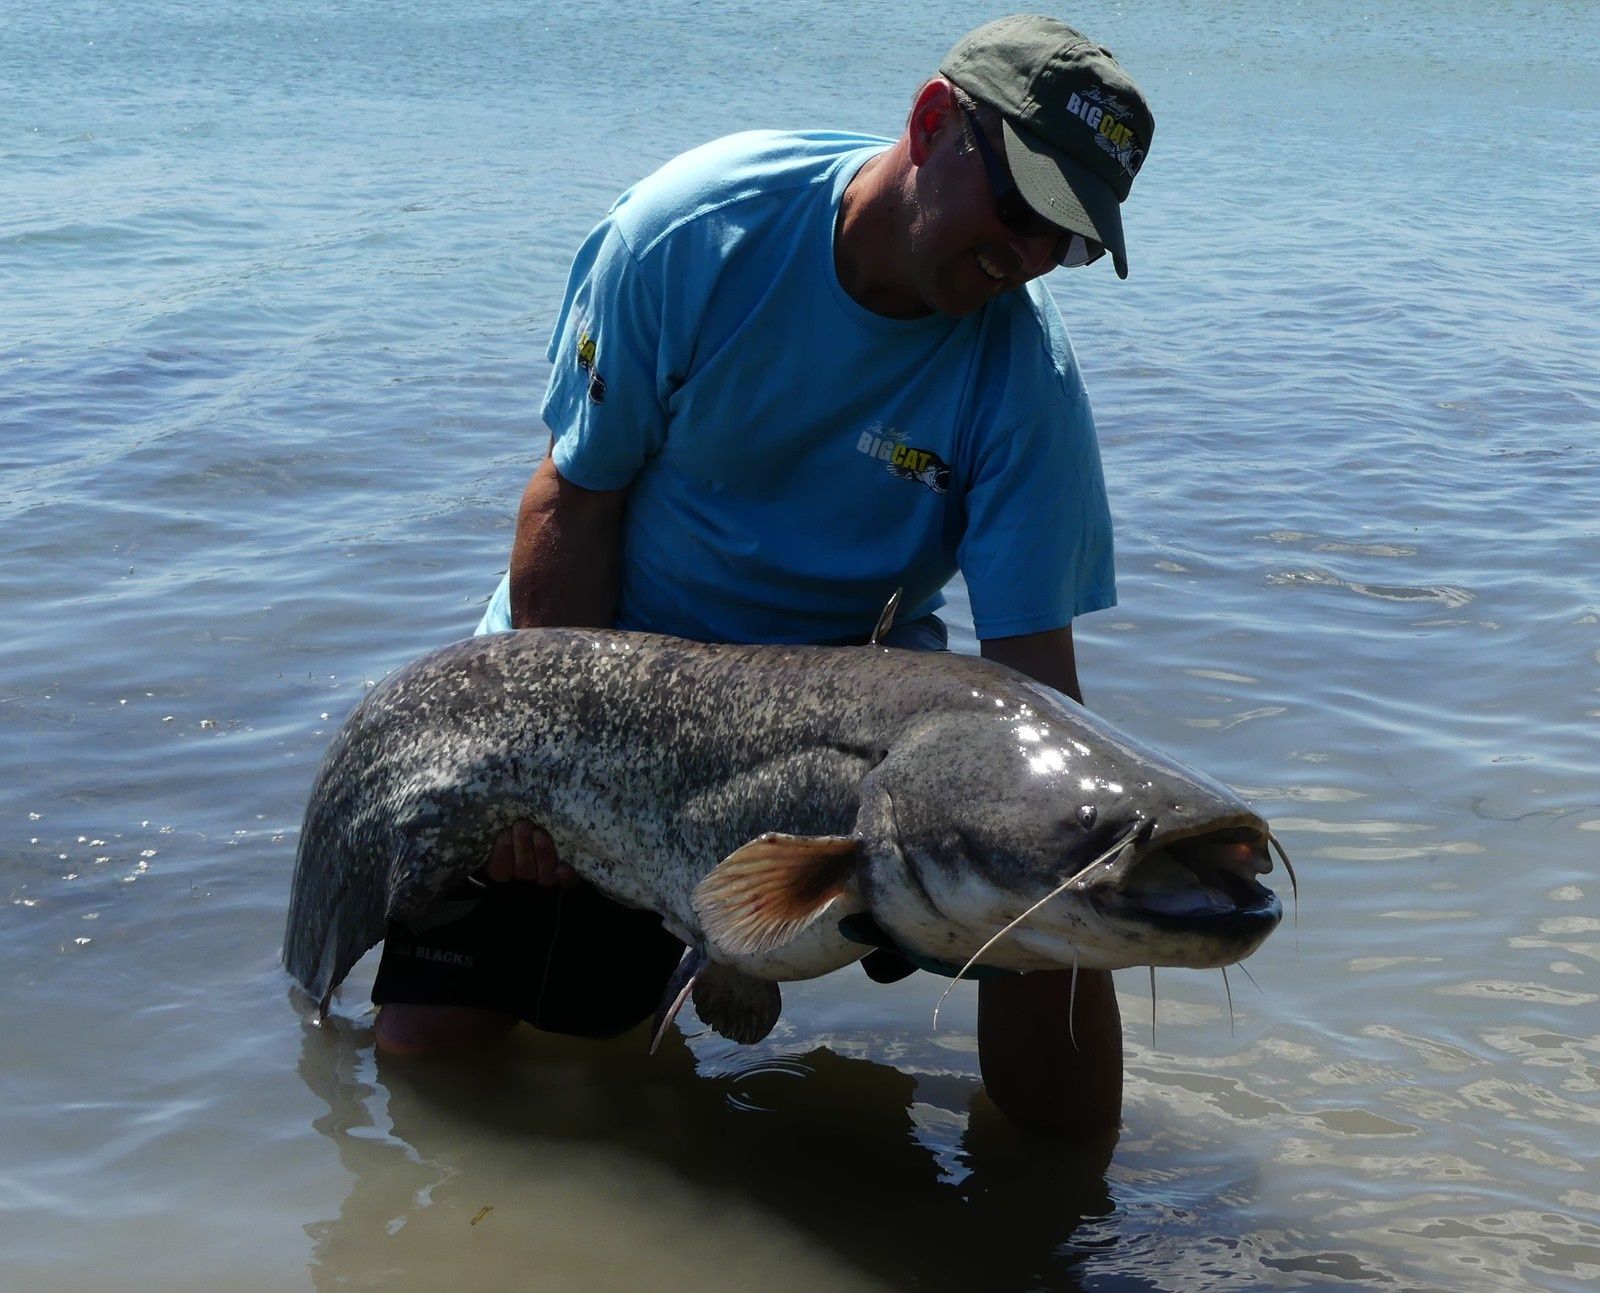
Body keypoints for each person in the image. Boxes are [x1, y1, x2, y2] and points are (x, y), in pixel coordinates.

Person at [371, 15, 1155, 1138]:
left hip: (826, 739)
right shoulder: (690, 234)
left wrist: (1073, 871)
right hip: (599, 683)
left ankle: (1068, 1219)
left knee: (1050, 871)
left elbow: (1034, 685)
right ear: (933, 124)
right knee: (432, 1061)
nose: (1027, 257)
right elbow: (572, 502)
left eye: (1067, 242)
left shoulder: (1023, 381)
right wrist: (535, 773)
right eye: (1023, 208)